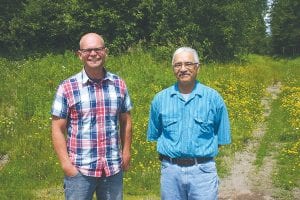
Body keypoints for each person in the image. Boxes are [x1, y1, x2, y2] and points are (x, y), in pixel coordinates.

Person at [51, 33, 133, 200]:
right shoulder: (67, 87)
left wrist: (126, 153)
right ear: (79, 54)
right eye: (88, 50)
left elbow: (126, 121)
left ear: (105, 52)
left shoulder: (119, 84)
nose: (93, 54)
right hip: (80, 169)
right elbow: (57, 128)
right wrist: (67, 165)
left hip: (112, 168)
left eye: (98, 49)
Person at [147, 47, 231, 200]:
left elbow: (221, 137)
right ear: (173, 69)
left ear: (197, 67)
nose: (183, 69)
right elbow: (156, 133)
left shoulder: (213, 98)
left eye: (188, 64)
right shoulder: (160, 99)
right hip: (170, 172)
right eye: (178, 65)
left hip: (203, 172)